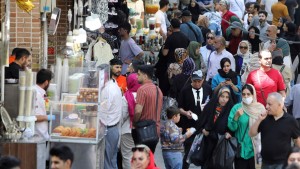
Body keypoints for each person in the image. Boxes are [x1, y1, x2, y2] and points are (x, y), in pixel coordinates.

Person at [249, 92, 300, 169]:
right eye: (267, 104)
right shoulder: (264, 118)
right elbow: (251, 133)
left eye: (270, 104)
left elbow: (297, 141)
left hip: (283, 163)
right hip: (266, 163)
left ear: (279, 105)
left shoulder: (290, 120)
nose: (266, 107)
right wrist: (259, 120)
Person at [178, 70, 212, 169]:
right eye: (195, 81)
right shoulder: (185, 90)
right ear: (191, 80)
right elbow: (179, 108)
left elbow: (212, 105)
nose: (197, 84)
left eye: (199, 81)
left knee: (204, 153)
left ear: (203, 80)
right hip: (189, 125)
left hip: (204, 126)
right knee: (188, 153)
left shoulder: (208, 89)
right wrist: (185, 112)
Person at [228, 84, 265, 169]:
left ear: (253, 94)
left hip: (256, 149)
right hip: (241, 149)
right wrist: (236, 117)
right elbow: (232, 128)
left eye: (248, 94)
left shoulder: (260, 108)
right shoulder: (237, 108)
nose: (246, 96)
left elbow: (265, 128)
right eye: (243, 94)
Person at [197, 86, 234, 169]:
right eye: (222, 96)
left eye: (227, 97)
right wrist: (203, 130)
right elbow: (200, 122)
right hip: (208, 142)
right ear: (218, 96)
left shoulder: (231, 109)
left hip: (222, 144)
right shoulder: (210, 106)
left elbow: (233, 126)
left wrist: (229, 133)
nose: (224, 99)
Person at [133, 65, 163, 153]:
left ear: (145, 76)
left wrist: (134, 122)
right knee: (150, 157)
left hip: (143, 131)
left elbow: (138, 111)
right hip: (155, 130)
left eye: (139, 74)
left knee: (142, 160)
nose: (136, 76)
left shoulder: (142, 90)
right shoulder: (158, 89)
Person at [157, 18, 190, 95]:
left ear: (171, 26)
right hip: (182, 64)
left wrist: (163, 48)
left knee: (171, 84)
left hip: (172, 64)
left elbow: (165, 53)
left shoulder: (170, 38)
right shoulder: (185, 37)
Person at [99, 63, 122, 169]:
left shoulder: (108, 89)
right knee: (112, 160)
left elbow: (103, 110)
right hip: (114, 128)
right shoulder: (113, 85)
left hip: (108, 129)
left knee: (108, 162)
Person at [120, 73, 141, 169]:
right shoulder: (144, 94)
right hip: (142, 130)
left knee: (128, 156)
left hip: (127, 130)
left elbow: (122, 116)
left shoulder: (126, 97)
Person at [34, 68, 53, 140]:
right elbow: (35, 117)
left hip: (41, 134)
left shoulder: (39, 92)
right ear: (46, 82)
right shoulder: (37, 94)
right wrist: (49, 117)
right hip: (39, 135)